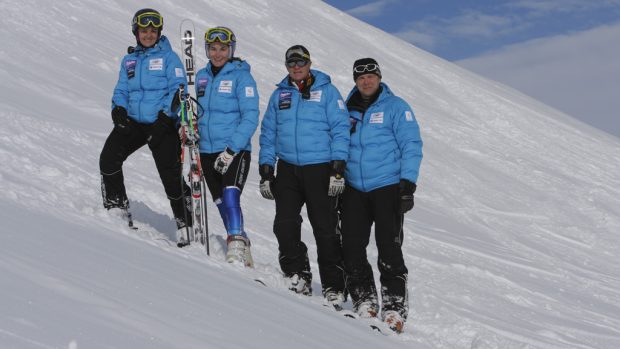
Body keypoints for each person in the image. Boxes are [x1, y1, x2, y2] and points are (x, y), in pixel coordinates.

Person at [258, 45, 350, 308]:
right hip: (288, 169)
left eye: (301, 62)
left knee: (325, 228)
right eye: (291, 63)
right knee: (284, 224)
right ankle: (297, 273)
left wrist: (338, 167)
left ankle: (334, 285)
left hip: (320, 168)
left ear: (309, 64)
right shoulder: (280, 95)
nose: (296, 67)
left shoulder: (328, 92)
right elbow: (268, 132)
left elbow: (341, 128)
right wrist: (266, 168)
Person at [340, 58, 423, 333]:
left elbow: (411, 143)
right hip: (353, 187)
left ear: (379, 77)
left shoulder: (396, 107)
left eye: (371, 76)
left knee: (389, 246)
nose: (366, 81)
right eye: (361, 78)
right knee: (351, 246)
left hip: (387, 186)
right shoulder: (346, 107)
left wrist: (407, 184)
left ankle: (394, 307)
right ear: (355, 80)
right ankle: (365, 299)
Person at [100, 9, 192, 240]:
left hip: (161, 122)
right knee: (109, 158)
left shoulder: (169, 58)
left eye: (153, 30)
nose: (148, 34)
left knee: (170, 177)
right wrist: (118, 109)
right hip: (134, 121)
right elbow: (121, 89)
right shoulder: (129, 59)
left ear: (159, 32)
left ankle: (186, 223)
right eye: (144, 30)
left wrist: (165, 118)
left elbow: (179, 90)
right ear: (136, 32)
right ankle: (117, 209)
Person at [194, 26, 259, 267]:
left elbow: (251, 116)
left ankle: (234, 244)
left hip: (234, 149)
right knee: (220, 200)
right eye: (213, 48)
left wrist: (231, 151)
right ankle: (242, 239)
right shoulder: (200, 76)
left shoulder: (242, 77)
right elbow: (195, 110)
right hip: (206, 149)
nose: (218, 53)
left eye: (223, 48)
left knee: (231, 194)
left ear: (231, 50)